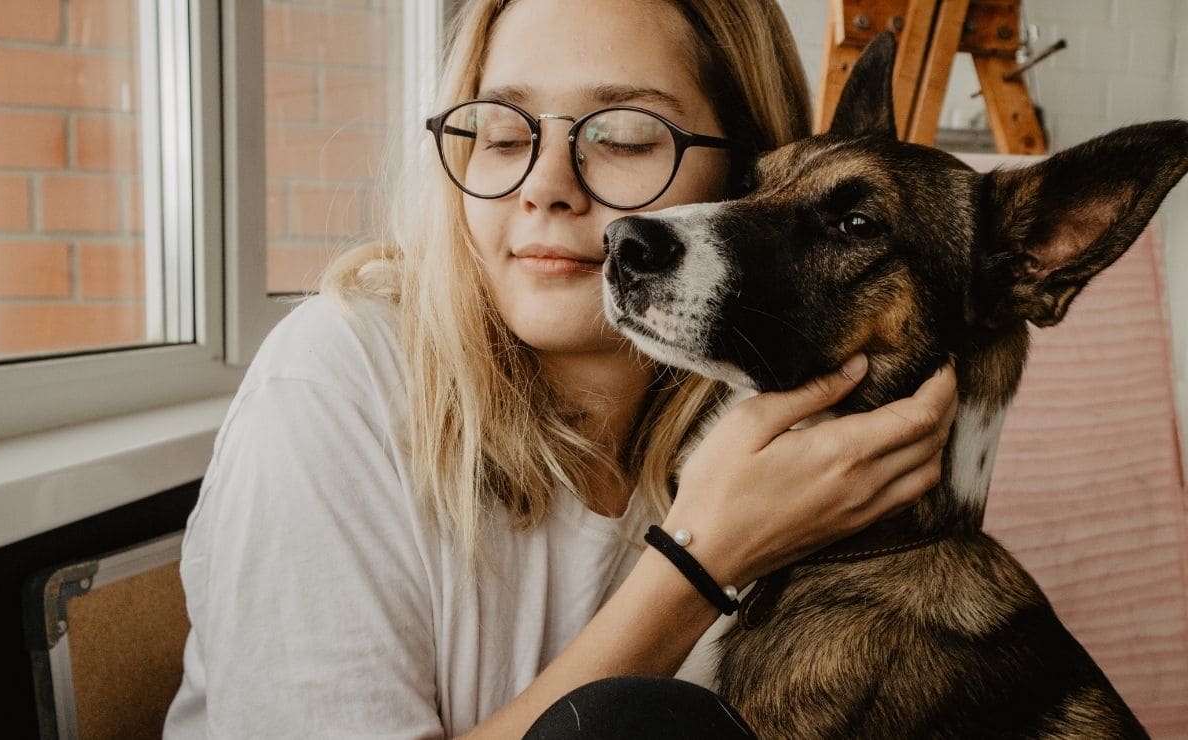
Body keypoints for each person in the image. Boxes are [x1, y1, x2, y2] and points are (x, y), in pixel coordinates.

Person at [164, 0, 958, 737]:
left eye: (623, 137)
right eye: (503, 135)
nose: (545, 188)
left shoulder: (772, 436)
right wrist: (698, 562)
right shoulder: (334, 384)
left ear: (753, 175)